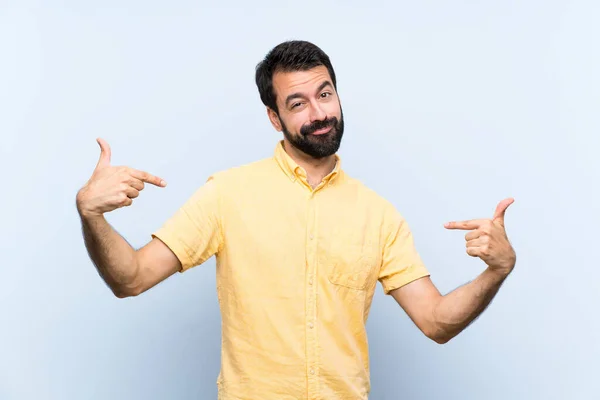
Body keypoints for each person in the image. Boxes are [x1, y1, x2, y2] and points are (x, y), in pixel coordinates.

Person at [75, 40, 516, 399]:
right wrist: (92, 215)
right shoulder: (227, 194)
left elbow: (436, 322)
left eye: (325, 94)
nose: (319, 113)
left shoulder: (378, 215)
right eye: (298, 103)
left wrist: (496, 271)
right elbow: (129, 278)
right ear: (274, 117)